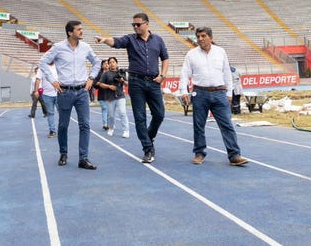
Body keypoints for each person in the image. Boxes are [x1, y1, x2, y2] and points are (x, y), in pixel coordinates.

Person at [95, 12, 169, 164]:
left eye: (138, 24)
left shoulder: (158, 40)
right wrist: (104, 40)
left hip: (154, 82)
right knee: (139, 117)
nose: (135, 27)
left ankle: (150, 136)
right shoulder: (130, 39)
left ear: (147, 24)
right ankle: (148, 148)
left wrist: (163, 75)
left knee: (160, 114)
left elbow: (165, 58)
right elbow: (115, 41)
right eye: (133, 25)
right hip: (136, 82)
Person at [179, 27, 248, 166]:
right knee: (198, 125)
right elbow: (184, 73)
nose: (200, 39)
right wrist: (183, 91)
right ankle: (199, 153)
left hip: (219, 92)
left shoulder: (220, 52)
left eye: (203, 36)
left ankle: (234, 155)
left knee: (227, 124)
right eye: (198, 36)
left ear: (211, 37)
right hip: (200, 93)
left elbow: (227, 73)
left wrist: (229, 93)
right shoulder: (191, 54)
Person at [39, 20, 100, 170]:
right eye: (79, 29)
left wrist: (91, 78)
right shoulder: (58, 48)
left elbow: (97, 62)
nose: (81, 32)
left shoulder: (85, 47)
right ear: (70, 32)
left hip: (82, 92)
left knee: (85, 125)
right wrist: (52, 80)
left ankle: (83, 158)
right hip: (64, 91)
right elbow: (43, 62)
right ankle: (63, 153)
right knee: (63, 125)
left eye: (81, 29)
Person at [98, 56, 130, 138]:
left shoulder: (121, 72)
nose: (112, 64)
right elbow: (100, 84)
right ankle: (111, 128)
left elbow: (127, 84)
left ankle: (126, 130)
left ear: (117, 63)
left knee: (123, 113)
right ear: (108, 65)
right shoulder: (106, 74)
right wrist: (109, 86)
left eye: (113, 62)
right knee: (111, 115)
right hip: (109, 97)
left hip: (120, 96)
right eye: (110, 63)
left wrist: (122, 81)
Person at [95, 60, 110, 131]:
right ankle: (105, 124)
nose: (107, 65)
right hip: (102, 95)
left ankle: (108, 123)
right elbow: (95, 83)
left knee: (110, 110)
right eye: (105, 64)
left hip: (110, 95)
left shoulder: (112, 73)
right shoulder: (99, 74)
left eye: (108, 63)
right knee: (105, 109)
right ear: (102, 66)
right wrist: (99, 83)